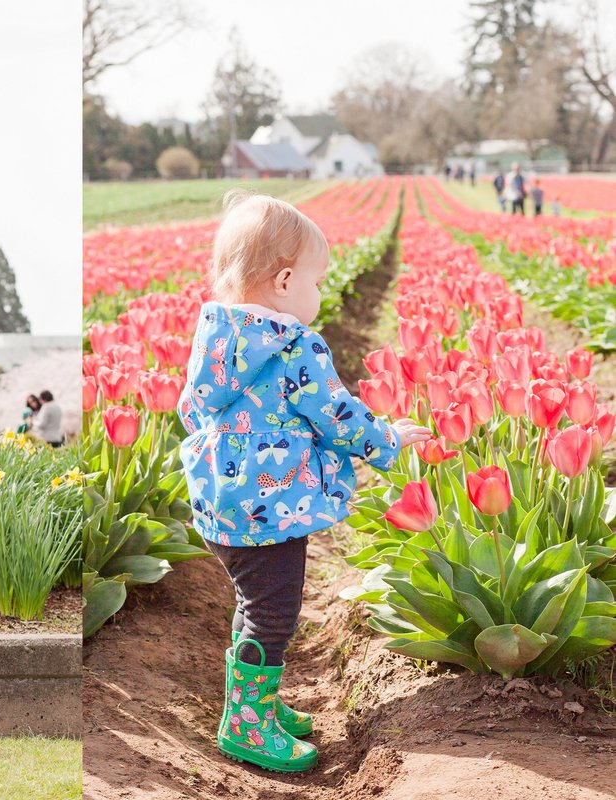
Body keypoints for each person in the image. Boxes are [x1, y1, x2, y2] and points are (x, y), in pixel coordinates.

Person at [176, 192, 429, 773]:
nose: (319, 294)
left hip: (222, 505)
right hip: (273, 506)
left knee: (253, 602)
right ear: (285, 281)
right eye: (318, 281)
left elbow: (192, 409)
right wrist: (386, 440)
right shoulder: (294, 345)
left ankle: (254, 703)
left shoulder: (215, 335)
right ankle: (245, 723)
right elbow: (336, 415)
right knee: (274, 612)